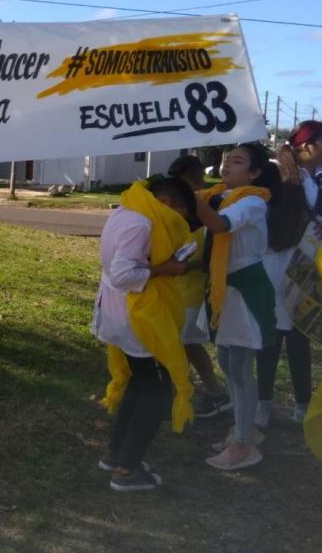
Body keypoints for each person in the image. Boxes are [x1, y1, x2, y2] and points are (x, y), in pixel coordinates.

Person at [93, 176, 194, 492]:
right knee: (158, 392)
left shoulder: (127, 209)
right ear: (165, 203)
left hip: (119, 312)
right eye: (178, 214)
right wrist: (167, 269)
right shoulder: (143, 224)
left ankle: (115, 454)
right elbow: (124, 274)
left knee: (141, 381)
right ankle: (126, 469)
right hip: (135, 316)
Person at [256, 121, 322, 427]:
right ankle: (263, 403)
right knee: (271, 336)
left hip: (313, 268)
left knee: (301, 334)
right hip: (275, 264)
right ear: (304, 145)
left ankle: (302, 403)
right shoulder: (274, 173)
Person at [195, 143, 281, 470]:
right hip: (224, 289)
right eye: (225, 160)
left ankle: (244, 444)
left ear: (255, 173)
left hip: (244, 290)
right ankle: (244, 429)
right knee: (228, 360)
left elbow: (220, 225)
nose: (226, 165)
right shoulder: (216, 196)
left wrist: (191, 200)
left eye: (237, 161)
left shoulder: (252, 201)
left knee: (240, 366)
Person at [167, 155, 231, 418]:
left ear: (193, 179)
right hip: (171, 286)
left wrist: (185, 265)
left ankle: (207, 394)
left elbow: (209, 254)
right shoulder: (171, 205)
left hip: (191, 288)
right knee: (181, 344)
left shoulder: (207, 205)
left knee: (184, 344)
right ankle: (202, 394)